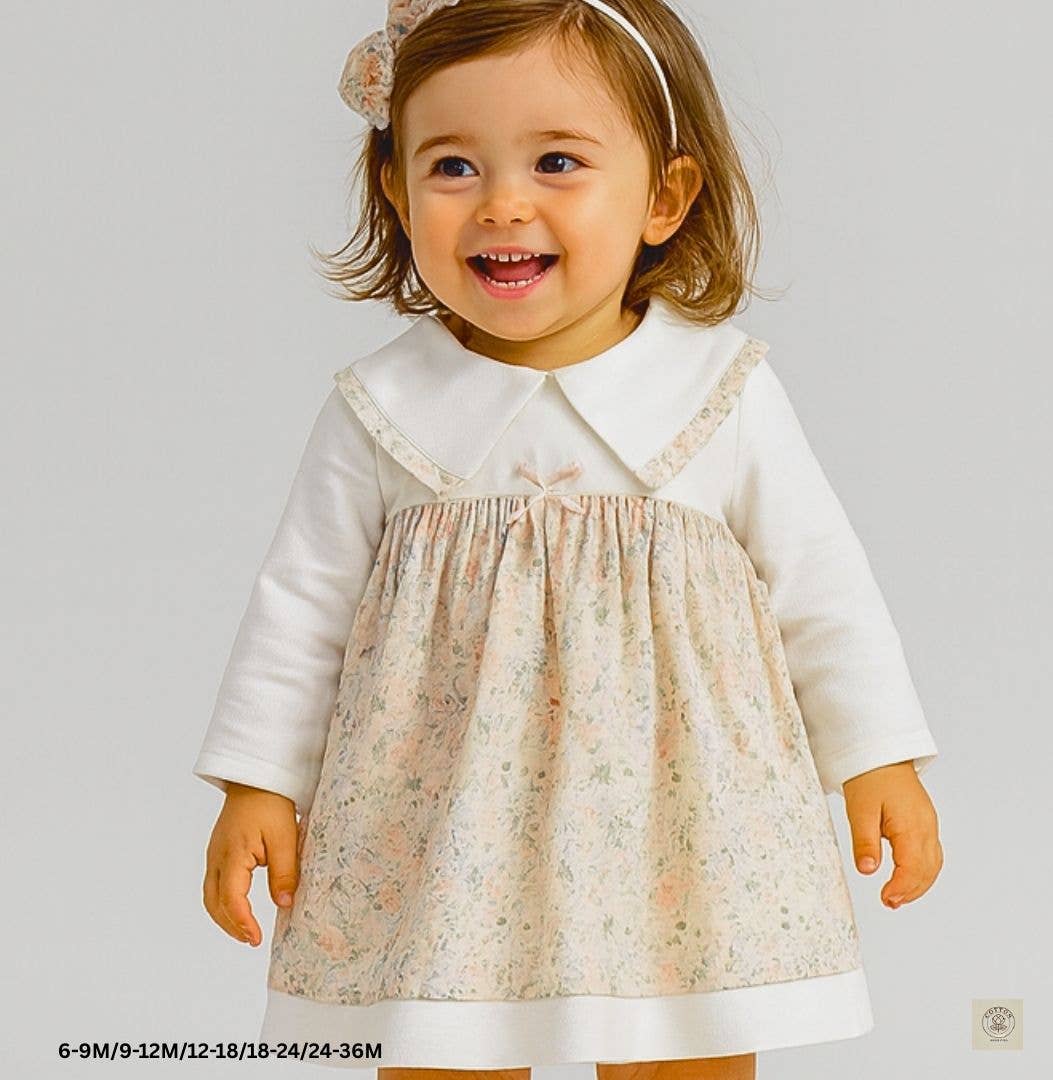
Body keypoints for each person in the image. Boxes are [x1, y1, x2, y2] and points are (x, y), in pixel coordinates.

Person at [192, 1, 944, 1076]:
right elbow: (300, 612)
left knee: (682, 1038)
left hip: (677, 818)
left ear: (664, 196)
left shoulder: (717, 392)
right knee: (441, 1041)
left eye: (557, 162)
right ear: (396, 190)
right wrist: (259, 781)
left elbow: (822, 589)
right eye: (453, 167)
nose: (503, 203)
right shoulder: (384, 408)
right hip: (445, 821)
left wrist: (878, 757)